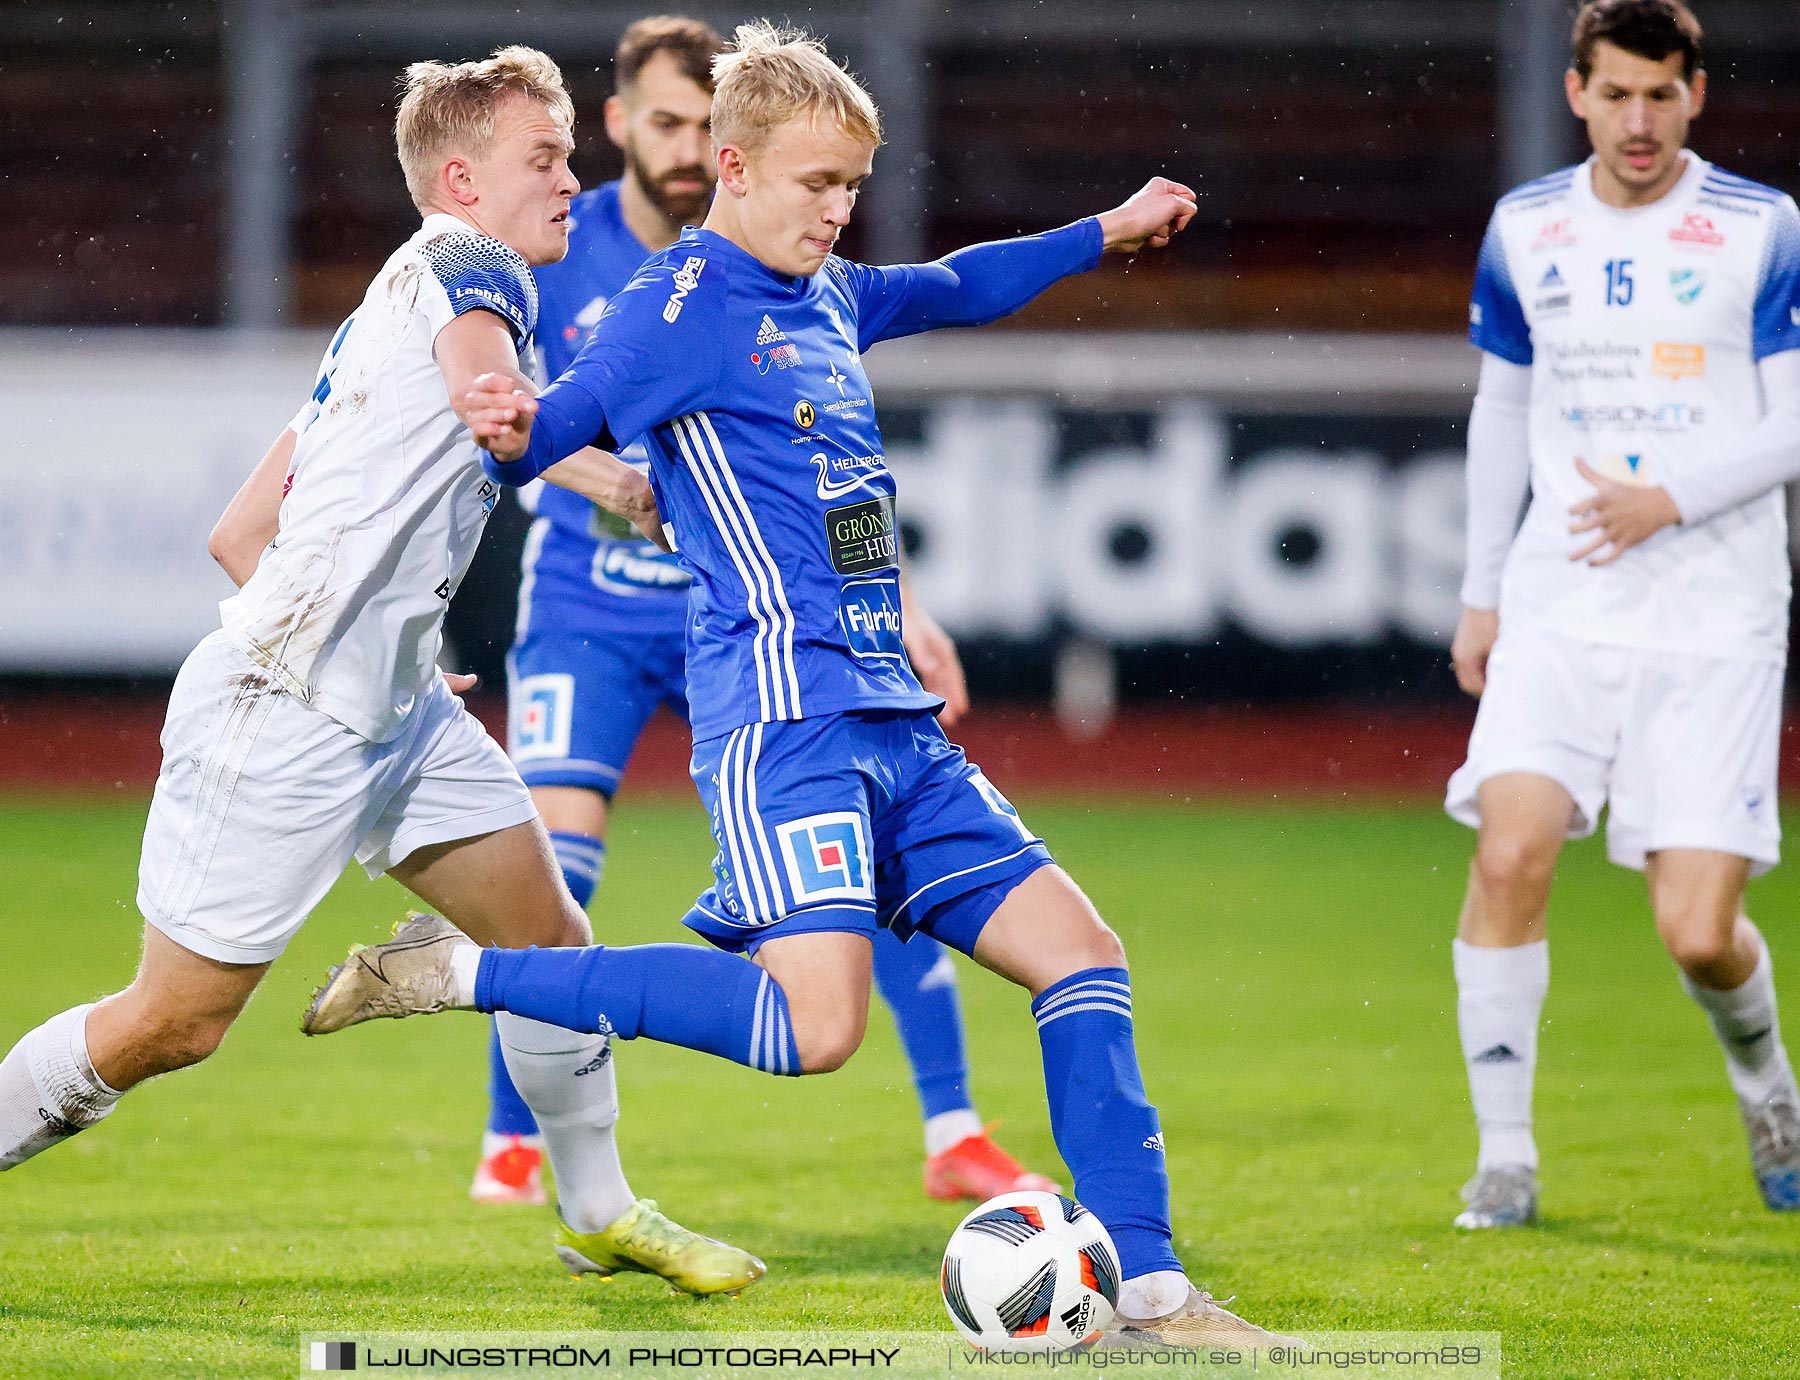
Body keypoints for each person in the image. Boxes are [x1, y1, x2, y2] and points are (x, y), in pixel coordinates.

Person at [304, 21, 1295, 1349]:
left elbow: (955, 283)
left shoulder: (827, 292)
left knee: (1083, 958)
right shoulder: (674, 306)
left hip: (898, 727)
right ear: (734, 166)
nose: (837, 212)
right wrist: (513, 428)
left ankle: (1157, 1295)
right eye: (815, 183)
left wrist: (1100, 230)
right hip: (785, 731)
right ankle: (460, 974)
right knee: (812, 1030)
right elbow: (559, 420)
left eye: (850, 188)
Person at [0, 46, 764, 1298]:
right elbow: (492, 403)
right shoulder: (475, 267)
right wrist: (618, 478)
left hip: (393, 710)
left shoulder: (375, 326)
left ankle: (602, 1210)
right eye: (546, 158)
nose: (575, 179)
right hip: (285, 719)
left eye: (571, 154)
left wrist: (394, 651)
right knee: (171, 1024)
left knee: (550, 940)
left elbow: (238, 534)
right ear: (460, 179)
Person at [475, 13, 1059, 1213]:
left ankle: (953, 1123)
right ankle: (516, 1143)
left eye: (706, 121)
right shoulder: (556, 249)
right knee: (556, 863)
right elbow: (508, 410)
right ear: (624, 126)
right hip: (589, 603)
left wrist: (895, 607)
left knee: (863, 850)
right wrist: (610, 474)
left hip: (736, 612)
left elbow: (813, 475)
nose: (688, 145)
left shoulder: (789, 279)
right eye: (670, 123)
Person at [1446, 0, 1800, 1229]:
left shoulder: (1760, 229)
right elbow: (1502, 411)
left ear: (1695, 94)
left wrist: (1672, 500)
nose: (1638, 120)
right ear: (1577, 94)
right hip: (1564, 599)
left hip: (1715, 608)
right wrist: (1483, 590)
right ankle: (1506, 1158)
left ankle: (1767, 1082)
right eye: (1617, 94)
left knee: (1698, 932)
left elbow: (1793, 421)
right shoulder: (1527, 226)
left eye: (1662, 94)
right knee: (1510, 847)